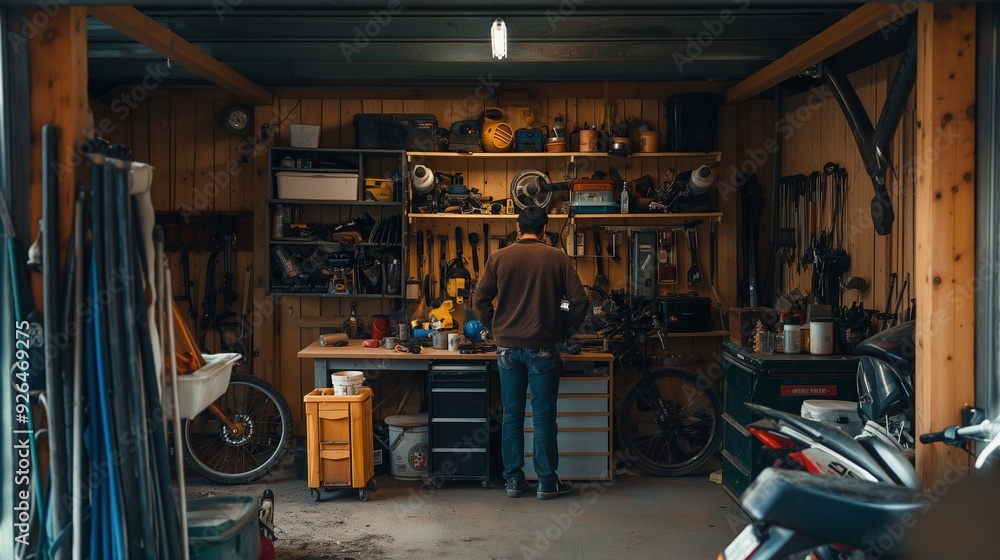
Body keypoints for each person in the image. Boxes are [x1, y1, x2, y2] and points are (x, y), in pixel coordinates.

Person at [472, 206, 588, 500]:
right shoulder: (557, 258)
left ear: (517, 225)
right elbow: (578, 301)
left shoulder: (498, 258)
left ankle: (513, 481)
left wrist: (495, 326)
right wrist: (564, 328)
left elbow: (480, 299)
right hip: (544, 349)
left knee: (511, 416)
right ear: (545, 228)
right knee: (544, 417)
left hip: (507, 350)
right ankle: (547, 483)